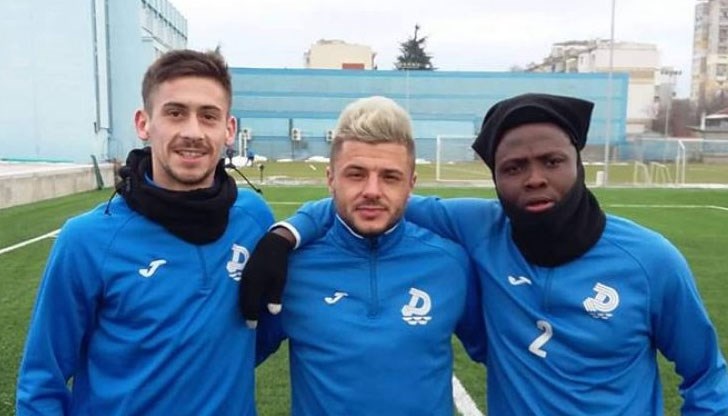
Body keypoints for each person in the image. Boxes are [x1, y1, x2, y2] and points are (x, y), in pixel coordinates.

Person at [242, 93, 728, 415]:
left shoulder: (651, 260)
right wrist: (286, 234)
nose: (535, 178)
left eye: (552, 162)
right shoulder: (478, 233)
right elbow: (364, 205)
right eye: (514, 167)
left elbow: (707, 374)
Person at [16, 49, 274, 415]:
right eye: (175, 113)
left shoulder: (253, 218)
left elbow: (269, 327)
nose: (192, 132)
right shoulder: (86, 239)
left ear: (228, 129)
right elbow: (42, 380)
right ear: (144, 123)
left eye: (208, 116)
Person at [249, 96, 485, 415]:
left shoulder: (450, 263)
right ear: (330, 179)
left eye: (390, 177)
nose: (372, 190)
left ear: (411, 184)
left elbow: (503, 355)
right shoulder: (292, 268)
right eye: (356, 174)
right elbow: (231, 362)